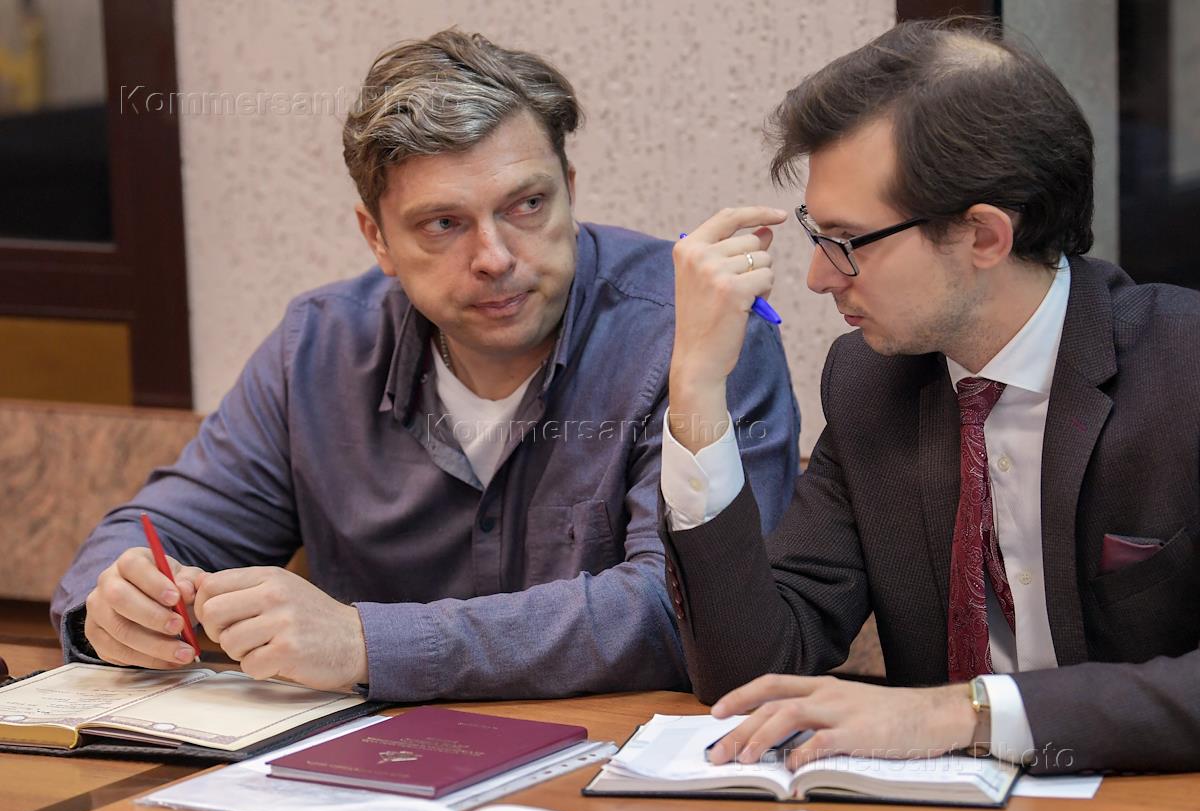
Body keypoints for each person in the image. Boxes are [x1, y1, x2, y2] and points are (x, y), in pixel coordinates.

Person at [51, 29, 801, 701]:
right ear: (376, 238)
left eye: (527, 205)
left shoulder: (696, 335)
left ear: (570, 191)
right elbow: (164, 529)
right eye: (444, 223)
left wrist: (365, 643)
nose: (495, 257)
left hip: (611, 769)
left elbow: (682, 612)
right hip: (364, 779)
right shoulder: (319, 348)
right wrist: (117, 604)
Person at [662, 17, 1200, 774]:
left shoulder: (1182, 369)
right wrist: (696, 384)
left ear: (983, 236)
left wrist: (964, 712)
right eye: (815, 233)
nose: (818, 277)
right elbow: (749, 673)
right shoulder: (871, 383)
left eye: (848, 241)